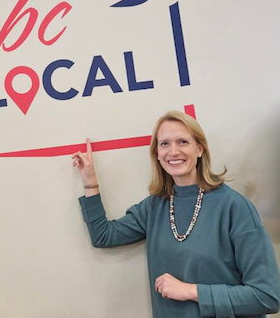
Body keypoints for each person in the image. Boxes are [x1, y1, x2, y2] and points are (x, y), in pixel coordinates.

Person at [72, 111, 280, 318]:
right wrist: (90, 180)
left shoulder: (234, 207)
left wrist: (191, 291)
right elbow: (103, 236)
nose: (173, 151)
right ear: (157, 154)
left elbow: (266, 296)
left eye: (182, 142)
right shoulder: (155, 206)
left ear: (199, 149)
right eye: (164, 144)